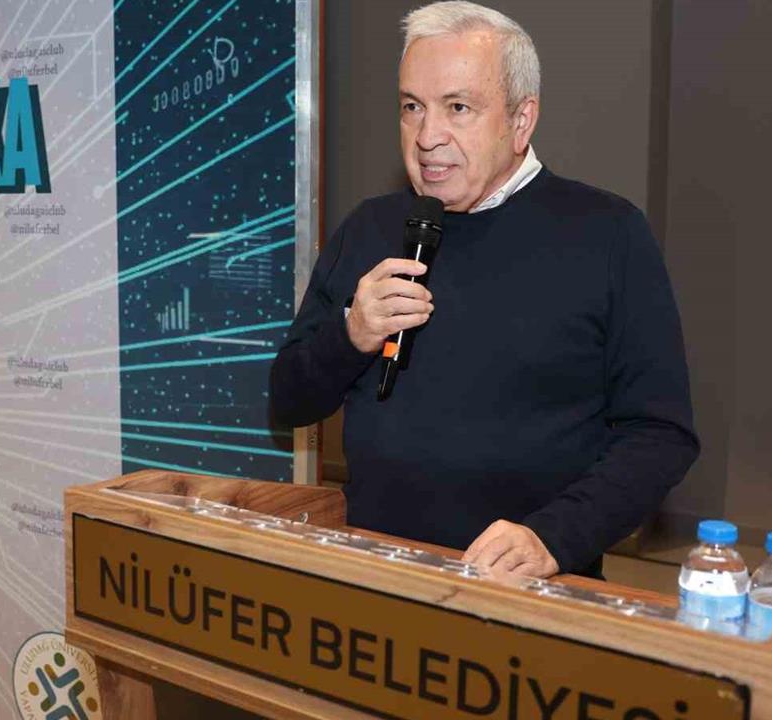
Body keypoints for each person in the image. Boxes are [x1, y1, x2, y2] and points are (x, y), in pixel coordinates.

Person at [269, 1, 698, 579]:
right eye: (412, 107)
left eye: (458, 107)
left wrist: (555, 537)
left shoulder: (607, 235)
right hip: (375, 578)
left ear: (522, 121)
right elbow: (289, 401)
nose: (427, 137)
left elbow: (661, 435)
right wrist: (350, 335)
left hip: (527, 590)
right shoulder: (370, 228)